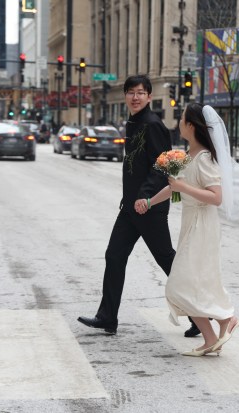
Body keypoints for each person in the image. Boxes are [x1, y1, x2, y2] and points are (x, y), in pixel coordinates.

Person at [77, 74, 199, 337]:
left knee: (167, 260)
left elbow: (162, 166)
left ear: (149, 97)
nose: (135, 97)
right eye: (131, 92)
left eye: (140, 93)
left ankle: (200, 316)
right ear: (125, 96)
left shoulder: (152, 124)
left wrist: (144, 197)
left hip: (149, 207)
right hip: (132, 207)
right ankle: (107, 317)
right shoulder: (133, 122)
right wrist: (132, 199)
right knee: (115, 255)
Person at [141, 103, 239, 356]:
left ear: (191, 126)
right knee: (197, 283)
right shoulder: (189, 154)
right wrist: (151, 202)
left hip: (202, 225)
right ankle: (215, 332)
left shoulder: (205, 158)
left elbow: (216, 198)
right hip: (191, 224)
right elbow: (175, 186)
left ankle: (223, 322)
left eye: (182, 118)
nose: (179, 122)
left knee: (180, 285)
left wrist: (182, 188)